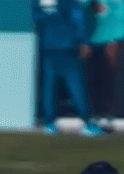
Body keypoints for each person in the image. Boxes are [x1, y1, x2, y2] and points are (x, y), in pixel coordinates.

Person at [34, 0, 105, 136]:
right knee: (76, 86)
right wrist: (84, 41)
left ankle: (49, 123)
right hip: (68, 48)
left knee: (49, 87)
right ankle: (87, 123)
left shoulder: (39, 4)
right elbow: (78, 18)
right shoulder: (69, 4)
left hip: (48, 47)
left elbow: (37, 22)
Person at [82, 0, 124, 133]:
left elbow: (117, 10)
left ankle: (106, 115)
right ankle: (95, 114)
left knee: (108, 76)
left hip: (113, 34)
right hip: (91, 35)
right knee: (91, 77)